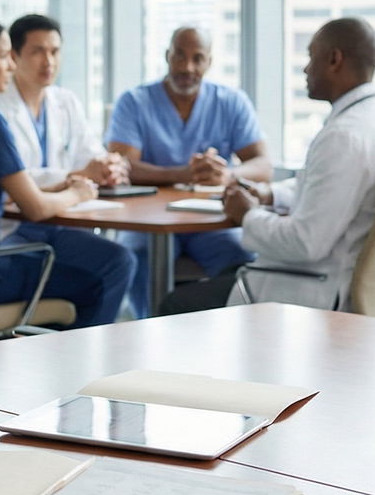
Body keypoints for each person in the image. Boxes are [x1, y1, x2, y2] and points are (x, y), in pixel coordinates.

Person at [0, 15, 136, 329]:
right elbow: (35, 208)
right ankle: (79, 365)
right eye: (4, 56)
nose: (10, 65)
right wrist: (78, 192)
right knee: (114, 265)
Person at [203, 17, 375, 313]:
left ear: (334, 59)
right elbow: (334, 187)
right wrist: (270, 195)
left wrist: (247, 214)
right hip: (362, 285)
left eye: (310, 56)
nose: (305, 68)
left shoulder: (344, 137)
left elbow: (304, 243)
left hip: (316, 291)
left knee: (177, 303)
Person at [105, 26, 271, 317]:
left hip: (209, 220)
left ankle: (220, 336)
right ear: (166, 55)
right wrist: (182, 174)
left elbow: (263, 165)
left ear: (210, 62)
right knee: (138, 256)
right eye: (179, 56)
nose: (187, 67)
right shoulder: (134, 102)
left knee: (243, 256)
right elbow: (122, 167)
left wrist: (227, 175)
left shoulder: (231, 102)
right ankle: (149, 334)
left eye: (198, 58)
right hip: (147, 221)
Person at [0, 14, 129, 217]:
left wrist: (107, 167)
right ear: (14, 56)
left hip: (67, 216)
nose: (48, 61)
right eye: (38, 52)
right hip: (15, 222)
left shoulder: (66, 101)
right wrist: (78, 175)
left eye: (55, 51)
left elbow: (88, 154)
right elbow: (13, 179)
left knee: (117, 251)